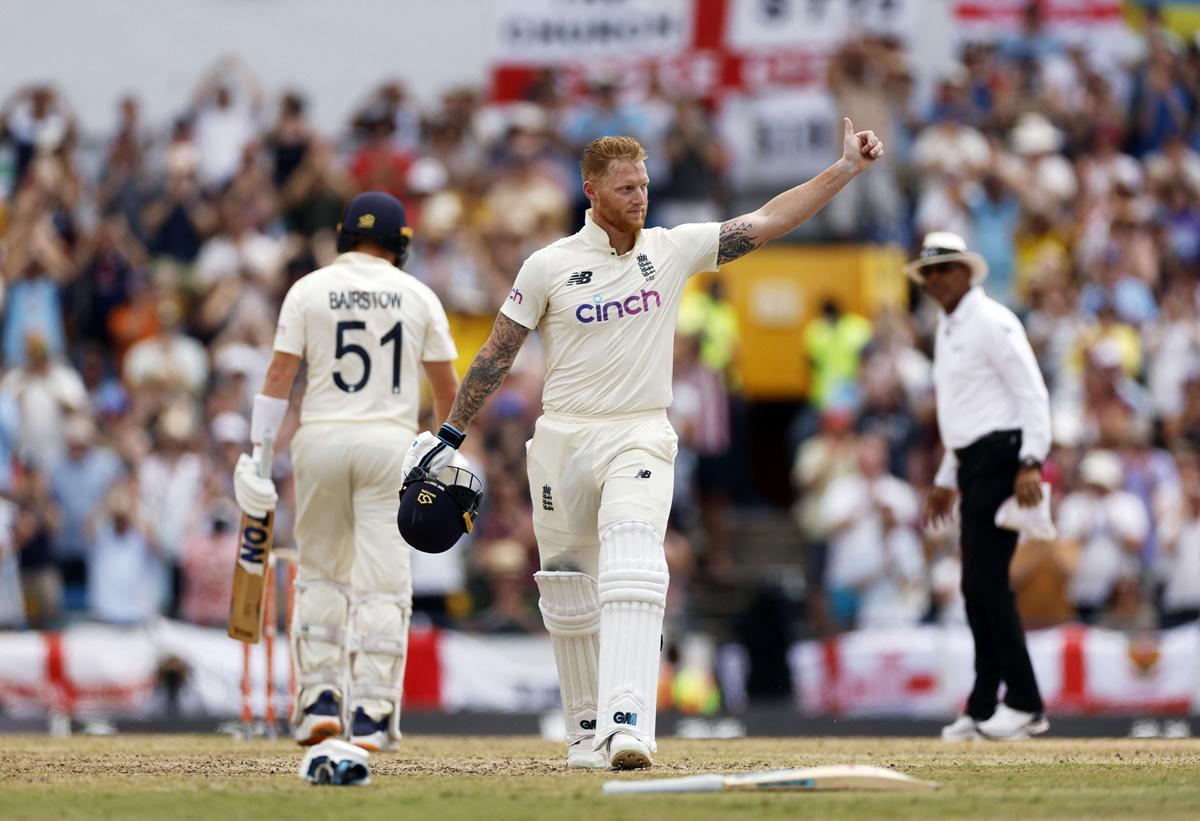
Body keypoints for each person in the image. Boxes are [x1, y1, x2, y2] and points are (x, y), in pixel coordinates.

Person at [404, 121, 884, 770]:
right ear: (591, 190)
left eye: (645, 184)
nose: (640, 196)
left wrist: (845, 168)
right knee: (568, 587)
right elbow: (496, 353)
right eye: (626, 187)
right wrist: (449, 434)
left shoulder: (673, 248)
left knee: (634, 561)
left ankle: (628, 723)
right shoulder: (548, 266)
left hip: (640, 431)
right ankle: (584, 732)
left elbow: (768, 220)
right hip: (564, 437)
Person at [232, 191, 459, 752]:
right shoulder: (417, 294)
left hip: (322, 439)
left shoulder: (308, 289)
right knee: (383, 581)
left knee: (321, 572)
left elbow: (281, 373)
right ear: (400, 245)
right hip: (388, 442)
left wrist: (260, 459)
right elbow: (449, 390)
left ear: (343, 236)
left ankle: (317, 703)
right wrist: (445, 452)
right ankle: (373, 713)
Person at [910, 231, 1052, 742]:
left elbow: (1031, 392)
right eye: (928, 273)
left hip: (1003, 456)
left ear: (967, 271)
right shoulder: (947, 329)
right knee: (977, 587)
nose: (935, 280)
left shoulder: (992, 321)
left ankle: (1023, 701)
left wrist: (1032, 460)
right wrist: (948, 478)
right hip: (976, 460)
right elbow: (965, 414)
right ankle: (982, 704)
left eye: (944, 269)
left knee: (986, 584)